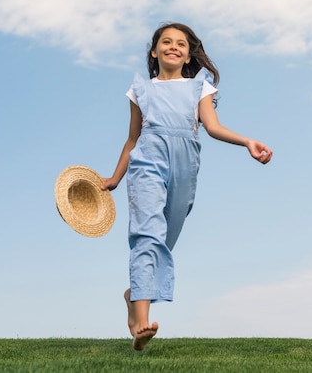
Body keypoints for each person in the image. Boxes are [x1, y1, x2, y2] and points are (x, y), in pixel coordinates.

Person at [100, 22, 273, 351]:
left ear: (189, 54)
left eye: (181, 43)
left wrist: (247, 141)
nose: (173, 47)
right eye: (166, 42)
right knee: (147, 233)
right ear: (155, 51)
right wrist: (115, 178)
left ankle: (133, 293)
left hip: (185, 164)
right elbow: (132, 139)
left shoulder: (199, 87)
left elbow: (213, 127)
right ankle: (140, 322)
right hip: (147, 161)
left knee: (166, 237)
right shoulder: (140, 89)